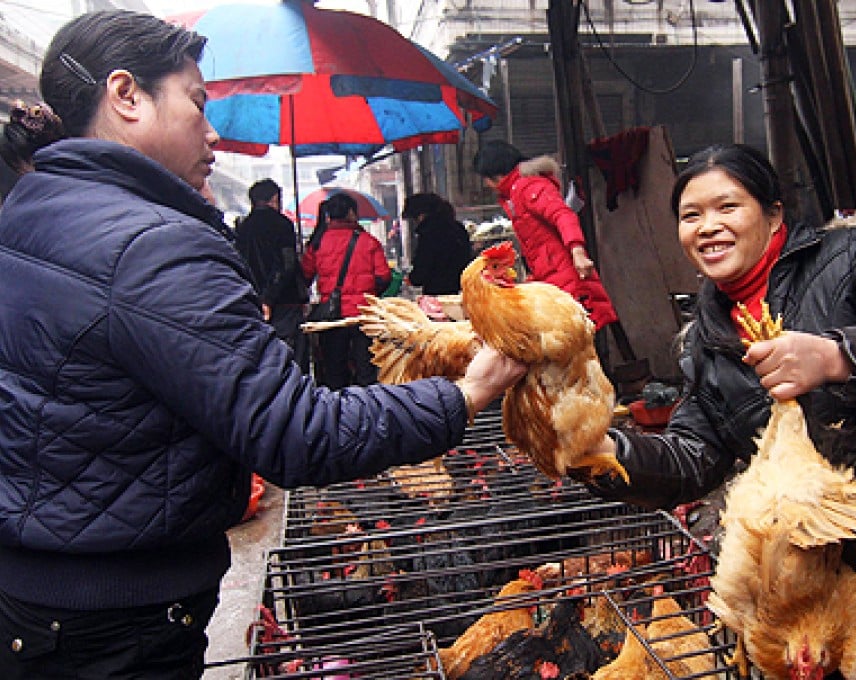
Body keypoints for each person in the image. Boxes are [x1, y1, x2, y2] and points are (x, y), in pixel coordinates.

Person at [0, 10, 524, 679]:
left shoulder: (32, 211)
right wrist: (467, 392)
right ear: (126, 96)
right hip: (116, 623)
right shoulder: (150, 244)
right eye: (196, 103)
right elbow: (297, 432)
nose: (211, 132)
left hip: (38, 600)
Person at [580, 143, 856, 678]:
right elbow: (694, 455)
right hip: (823, 579)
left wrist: (837, 354)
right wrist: (599, 453)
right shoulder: (708, 338)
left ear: (774, 213)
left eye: (727, 207)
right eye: (691, 216)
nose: (708, 227)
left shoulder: (854, 257)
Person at [473, 140, 619, 331]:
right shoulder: (514, 194)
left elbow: (562, 215)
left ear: (496, 173)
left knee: (577, 340)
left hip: (567, 276)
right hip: (550, 278)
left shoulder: (529, 187)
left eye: (485, 178)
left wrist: (578, 252)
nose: (486, 184)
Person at [301, 191, 391, 389]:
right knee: (367, 368)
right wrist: (369, 294)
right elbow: (384, 277)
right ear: (351, 212)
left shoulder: (317, 243)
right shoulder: (368, 241)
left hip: (332, 317)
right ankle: (370, 411)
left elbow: (305, 275)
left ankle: (339, 412)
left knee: (334, 369)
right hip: (363, 314)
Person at [234, 178, 309, 370]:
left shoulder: (242, 228)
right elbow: (287, 264)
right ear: (275, 199)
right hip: (284, 302)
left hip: (252, 300)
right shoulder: (282, 225)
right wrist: (269, 297)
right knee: (293, 360)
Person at [402, 192, 472, 295]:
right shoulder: (458, 228)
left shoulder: (428, 233)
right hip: (462, 288)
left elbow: (424, 264)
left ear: (421, 215)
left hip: (437, 292)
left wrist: (413, 279)